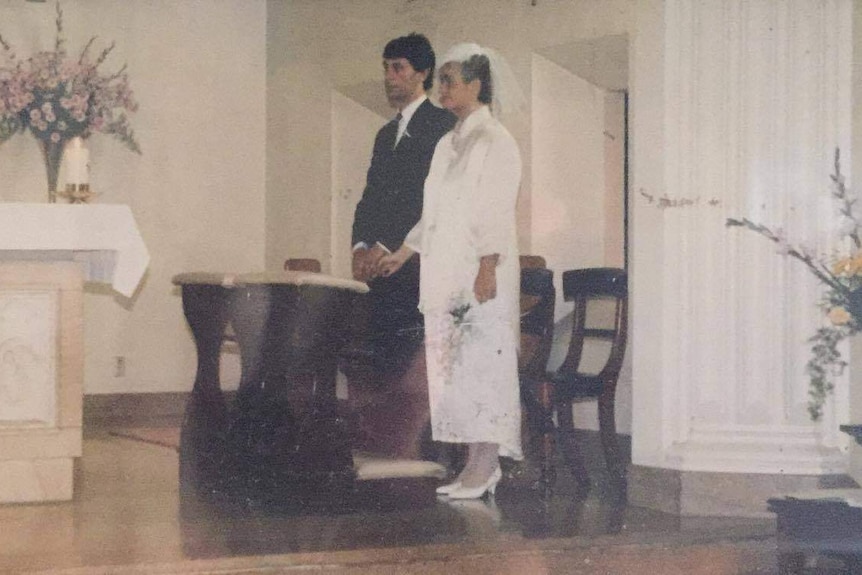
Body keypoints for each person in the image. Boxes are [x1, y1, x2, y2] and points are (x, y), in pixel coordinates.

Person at [379, 43, 524, 499]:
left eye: (449, 80)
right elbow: (436, 212)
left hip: (482, 273)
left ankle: (487, 465)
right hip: (444, 274)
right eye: (439, 80)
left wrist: (486, 268)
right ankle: (469, 465)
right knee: (454, 370)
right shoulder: (447, 143)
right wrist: (404, 251)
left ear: (476, 85)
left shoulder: (496, 140)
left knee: (482, 367)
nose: (440, 88)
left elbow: (495, 213)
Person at [347, 33, 456, 458]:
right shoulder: (383, 134)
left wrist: (391, 247)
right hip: (380, 268)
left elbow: (430, 200)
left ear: (423, 73)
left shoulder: (441, 126)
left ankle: (412, 450)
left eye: (399, 69)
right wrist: (360, 246)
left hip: (419, 265)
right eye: (386, 68)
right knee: (377, 357)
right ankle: (382, 449)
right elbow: (371, 197)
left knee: (411, 362)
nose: (390, 77)